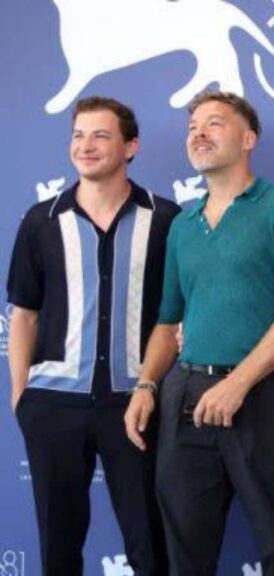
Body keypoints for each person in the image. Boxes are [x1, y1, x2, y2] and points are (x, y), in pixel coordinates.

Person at [123, 90, 274, 576]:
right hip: (186, 397)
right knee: (185, 551)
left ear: (248, 138)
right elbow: (169, 324)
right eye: (193, 126)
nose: (199, 133)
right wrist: (147, 385)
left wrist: (236, 385)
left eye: (214, 123)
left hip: (264, 396)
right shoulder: (183, 225)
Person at [6, 96, 173, 575]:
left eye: (101, 135)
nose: (86, 145)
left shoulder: (165, 219)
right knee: (58, 550)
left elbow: (174, 316)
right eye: (78, 135)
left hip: (136, 407)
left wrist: (153, 385)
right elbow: (24, 315)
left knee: (151, 546)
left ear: (131, 146)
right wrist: (22, 395)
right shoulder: (40, 221)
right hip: (53, 406)